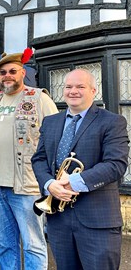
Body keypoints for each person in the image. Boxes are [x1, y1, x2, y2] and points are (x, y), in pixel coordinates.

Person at [32, 69, 129, 270]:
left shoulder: (112, 121)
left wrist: (72, 182)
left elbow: (116, 165)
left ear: (93, 91)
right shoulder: (50, 122)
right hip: (59, 219)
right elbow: (39, 159)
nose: (73, 91)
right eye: (68, 86)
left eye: (80, 86)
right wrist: (49, 184)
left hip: (97, 221)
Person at [0, 50, 58, 269]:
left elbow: (54, 139)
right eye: (3, 72)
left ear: (22, 72)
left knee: (33, 244)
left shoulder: (38, 97)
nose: (7, 76)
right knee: (5, 243)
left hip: (26, 185)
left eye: (12, 71)